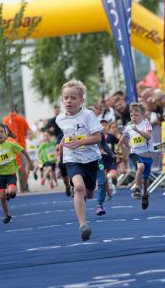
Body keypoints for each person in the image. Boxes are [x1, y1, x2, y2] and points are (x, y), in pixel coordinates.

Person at [56, 79, 102, 241]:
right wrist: (61, 144)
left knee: (89, 194)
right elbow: (67, 134)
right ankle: (83, 224)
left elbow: (97, 137)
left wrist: (80, 142)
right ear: (62, 100)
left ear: (81, 100)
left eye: (73, 97)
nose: (69, 101)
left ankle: (87, 195)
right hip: (72, 158)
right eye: (66, 98)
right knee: (78, 188)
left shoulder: (88, 115)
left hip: (90, 159)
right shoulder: (60, 119)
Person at [0, 123, 34, 224]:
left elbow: (23, 151)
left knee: (12, 192)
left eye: (2, 132)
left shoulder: (11, 144)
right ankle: (7, 215)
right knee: (1, 197)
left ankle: (9, 194)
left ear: (6, 134)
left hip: (10, 174)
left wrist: (30, 162)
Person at [117, 103, 154, 210]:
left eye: (136, 115)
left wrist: (137, 130)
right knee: (140, 167)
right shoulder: (129, 127)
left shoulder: (146, 124)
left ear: (143, 115)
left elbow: (148, 136)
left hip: (147, 155)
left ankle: (145, 194)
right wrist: (118, 146)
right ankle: (136, 187)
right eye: (132, 115)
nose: (134, 117)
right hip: (134, 154)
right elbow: (123, 138)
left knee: (146, 180)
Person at [3, 107, 31, 193]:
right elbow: (27, 132)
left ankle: (12, 186)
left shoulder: (5, 119)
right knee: (24, 166)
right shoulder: (21, 119)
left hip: (8, 146)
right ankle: (24, 185)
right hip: (20, 145)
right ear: (17, 111)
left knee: (11, 166)